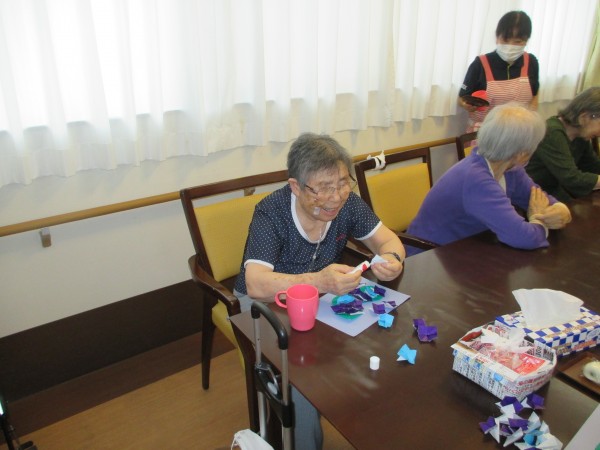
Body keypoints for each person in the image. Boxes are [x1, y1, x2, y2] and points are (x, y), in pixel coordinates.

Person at [234, 132, 406, 450]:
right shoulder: (271, 213)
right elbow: (256, 284)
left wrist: (393, 258)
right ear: (296, 186)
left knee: (379, 345)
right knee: (304, 379)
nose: (335, 197)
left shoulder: (347, 203)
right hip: (267, 305)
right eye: (324, 188)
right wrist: (320, 282)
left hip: (321, 301)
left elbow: (387, 239)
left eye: (342, 183)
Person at [406, 104, 571, 256]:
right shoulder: (476, 180)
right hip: (430, 256)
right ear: (522, 153)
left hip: (465, 250)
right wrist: (538, 220)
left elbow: (538, 198)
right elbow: (522, 237)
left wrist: (560, 210)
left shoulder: (511, 169)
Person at [458, 11, 539, 132]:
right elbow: (462, 98)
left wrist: (530, 118)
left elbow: (535, 95)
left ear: (526, 41)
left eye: (517, 42)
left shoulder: (531, 62)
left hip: (520, 131)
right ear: (497, 37)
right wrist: (467, 105)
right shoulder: (480, 64)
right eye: (505, 40)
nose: (510, 46)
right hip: (485, 132)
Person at [525, 87, 600, 202]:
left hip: (553, 191)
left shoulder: (580, 135)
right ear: (584, 117)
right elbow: (571, 178)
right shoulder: (552, 132)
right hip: (533, 194)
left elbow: (593, 166)